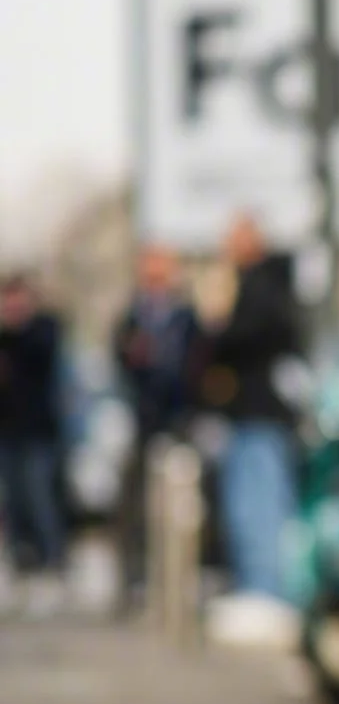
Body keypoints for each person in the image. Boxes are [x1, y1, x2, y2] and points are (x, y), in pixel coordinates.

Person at [199, 214, 302, 603]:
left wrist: (217, 329)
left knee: (258, 509)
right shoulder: (263, 284)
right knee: (247, 508)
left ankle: (264, 592)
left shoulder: (263, 286)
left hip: (259, 416)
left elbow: (242, 338)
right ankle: (256, 587)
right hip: (248, 416)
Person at [112, 242, 203, 600]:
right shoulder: (133, 316)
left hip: (177, 419)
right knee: (137, 503)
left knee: (180, 504)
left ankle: (178, 582)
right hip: (142, 418)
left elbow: (194, 365)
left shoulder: (184, 316)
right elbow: (121, 356)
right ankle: (136, 579)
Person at [0, 272, 67, 609]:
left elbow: (40, 359)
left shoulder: (43, 329)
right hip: (7, 432)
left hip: (38, 434)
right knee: (13, 504)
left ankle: (51, 565)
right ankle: (21, 566)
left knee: (41, 501)